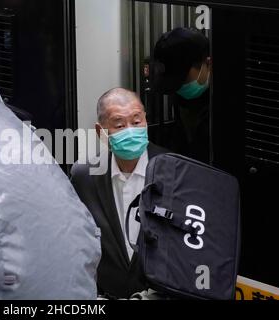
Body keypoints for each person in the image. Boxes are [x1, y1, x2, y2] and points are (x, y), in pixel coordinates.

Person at [70, 88, 167, 299]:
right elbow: (78, 242)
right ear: (101, 131)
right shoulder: (84, 175)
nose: (131, 130)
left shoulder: (173, 171)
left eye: (137, 121)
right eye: (120, 125)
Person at [150, 27, 211, 163]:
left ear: (208, 64)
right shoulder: (181, 95)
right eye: (173, 84)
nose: (179, 88)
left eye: (182, 80)